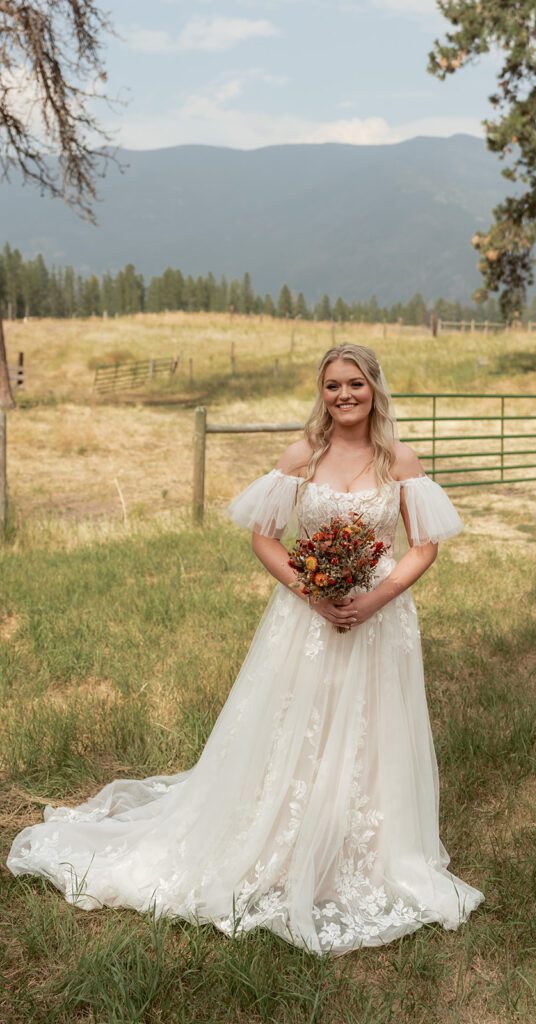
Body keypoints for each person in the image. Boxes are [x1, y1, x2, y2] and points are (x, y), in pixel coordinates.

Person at [7, 343, 484, 955]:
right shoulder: (301, 457)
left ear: (374, 390)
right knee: (299, 723)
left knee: (371, 727)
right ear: (322, 393)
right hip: (306, 616)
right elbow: (265, 538)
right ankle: (284, 832)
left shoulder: (400, 462)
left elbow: (423, 546)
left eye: (355, 384)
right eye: (332, 385)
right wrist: (313, 593)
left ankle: (360, 842)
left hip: (379, 618)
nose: (344, 395)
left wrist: (374, 599)